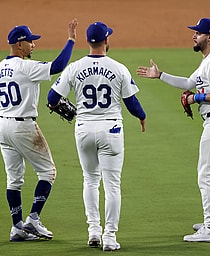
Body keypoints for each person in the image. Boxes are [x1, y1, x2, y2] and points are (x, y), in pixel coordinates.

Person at [136, 18, 210, 242]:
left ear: (209, 37)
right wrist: (160, 75)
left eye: (199, 33)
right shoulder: (207, 61)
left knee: (206, 176)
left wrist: (196, 98)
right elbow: (187, 83)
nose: (194, 36)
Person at [47, 22, 146, 251]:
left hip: (83, 129)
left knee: (90, 180)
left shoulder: (75, 67)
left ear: (88, 42)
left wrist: (63, 104)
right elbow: (131, 103)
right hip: (111, 130)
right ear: (106, 41)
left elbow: (52, 98)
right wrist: (141, 116)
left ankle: (93, 231)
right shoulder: (118, 68)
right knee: (112, 185)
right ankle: (109, 237)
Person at [0, 18, 78, 242]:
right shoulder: (26, 67)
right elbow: (58, 66)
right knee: (48, 172)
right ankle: (33, 219)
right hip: (23, 126)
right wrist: (70, 40)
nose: (33, 45)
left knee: (14, 180)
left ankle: (17, 227)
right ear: (20, 44)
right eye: (30, 41)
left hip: (3, 125)